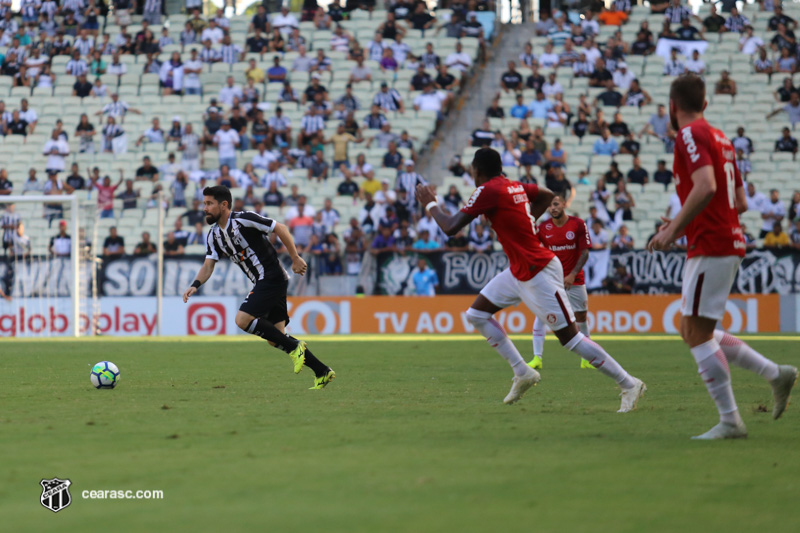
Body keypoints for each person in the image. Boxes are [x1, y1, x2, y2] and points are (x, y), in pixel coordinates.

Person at [415, 148, 645, 408]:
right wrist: (527, 222)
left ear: (476, 170)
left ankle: (629, 383)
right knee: (476, 314)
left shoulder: (488, 190)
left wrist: (430, 203)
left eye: (472, 170)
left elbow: (450, 227)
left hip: (539, 270)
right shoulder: (513, 185)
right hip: (519, 270)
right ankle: (523, 372)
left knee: (571, 339)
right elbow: (547, 195)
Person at [647, 74, 797, 440]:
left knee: (695, 332)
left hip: (711, 244)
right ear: (706, 104)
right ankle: (775, 374)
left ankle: (731, 420)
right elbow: (739, 202)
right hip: (725, 239)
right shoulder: (722, 138)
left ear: (672, 106)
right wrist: (684, 223)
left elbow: (707, 186)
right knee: (698, 329)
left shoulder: (689, 135)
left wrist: (672, 230)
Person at [183, 186, 335, 390]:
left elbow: (280, 227)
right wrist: (195, 285)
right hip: (269, 281)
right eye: (204, 204)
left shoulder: (243, 219)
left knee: (242, 319)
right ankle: (322, 371)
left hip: (271, 277)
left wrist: (295, 257)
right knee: (276, 337)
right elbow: (208, 265)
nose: (205, 208)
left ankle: (295, 347)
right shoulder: (213, 235)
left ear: (224, 205)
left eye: (209, 203)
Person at [529, 195, 593, 370]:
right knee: (541, 315)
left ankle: (586, 359)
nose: (553, 208)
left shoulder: (578, 224)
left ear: (564, 204)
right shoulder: (543, 228)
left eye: (556, 204)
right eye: (550, 206)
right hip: (551, 280)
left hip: (574, 280)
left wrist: (572, 274)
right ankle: (537, 358)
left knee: (581, 317)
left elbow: (585, 252)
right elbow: (535, 251)